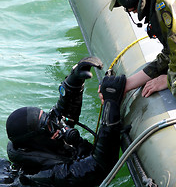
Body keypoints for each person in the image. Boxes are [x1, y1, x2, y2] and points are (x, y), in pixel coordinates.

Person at [1, 56, 126, 187]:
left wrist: (74, 80)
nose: (56, 126)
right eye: (49, 125)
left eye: (48, 118)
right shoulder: (42, 176)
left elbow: (62, 115)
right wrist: (110, 108)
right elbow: (99, 167)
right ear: (35, 140)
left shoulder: (42, 141)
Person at [108, 0, 176, 101]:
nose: (127, 9)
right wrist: (126, 85)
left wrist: (168, 80)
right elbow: (170, 53)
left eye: (123, 3)